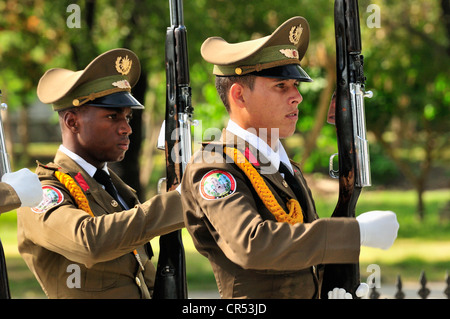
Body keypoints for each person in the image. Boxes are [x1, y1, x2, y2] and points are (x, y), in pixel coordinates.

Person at [181, 16, 399, 299]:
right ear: (239, 96)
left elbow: (302, 255)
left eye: (295, 86)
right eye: (281, 86)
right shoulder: (214, 166)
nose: (297, 97)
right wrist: (354, 233)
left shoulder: (284, 167)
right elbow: (252, 244)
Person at [17, 48, 184, 298]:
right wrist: (179, 201)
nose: (127, 128)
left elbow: (140, 275)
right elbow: (89, 242)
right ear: (73, 122)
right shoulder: (41, 190)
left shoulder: (116, 190)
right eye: (113, 116)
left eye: (127, 117)